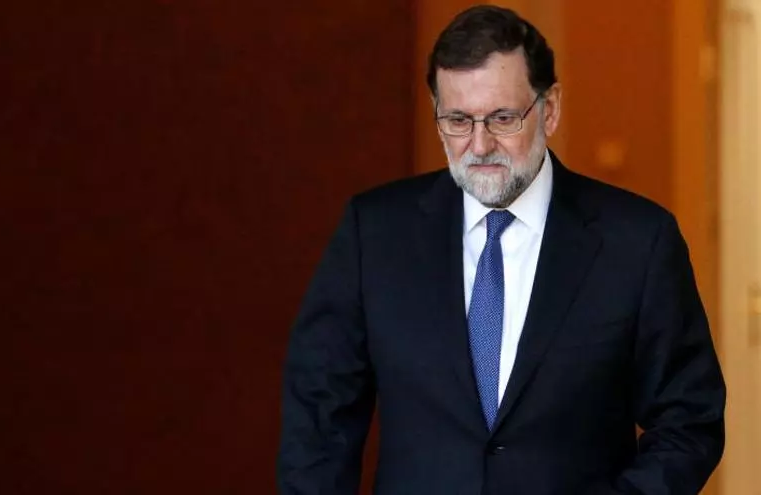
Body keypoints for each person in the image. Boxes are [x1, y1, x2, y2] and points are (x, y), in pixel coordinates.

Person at [277, 5, 725, 494]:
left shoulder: (637, 241)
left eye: (502, 118)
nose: (479, 145)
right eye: (457, 120)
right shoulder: (375, 234)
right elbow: (319, 413)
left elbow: (688, 420)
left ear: (549, 109)